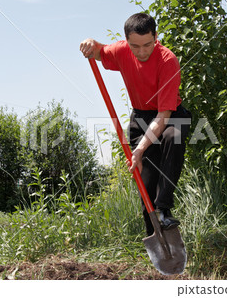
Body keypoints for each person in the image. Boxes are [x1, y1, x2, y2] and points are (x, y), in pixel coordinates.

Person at [80, 13, 191, 236]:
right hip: (140, 117)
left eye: (147, 45)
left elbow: (163, 116)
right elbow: (100, 51)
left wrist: (139, 149)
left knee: (173, 137)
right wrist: (90, 44)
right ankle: (154, 238)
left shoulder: (168, 61)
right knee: (146, 180)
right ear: (127, 41)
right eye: (135, 46)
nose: (141, 52)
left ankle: (164, 209)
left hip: (170, 116)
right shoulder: (122, 50)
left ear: (156, 37)